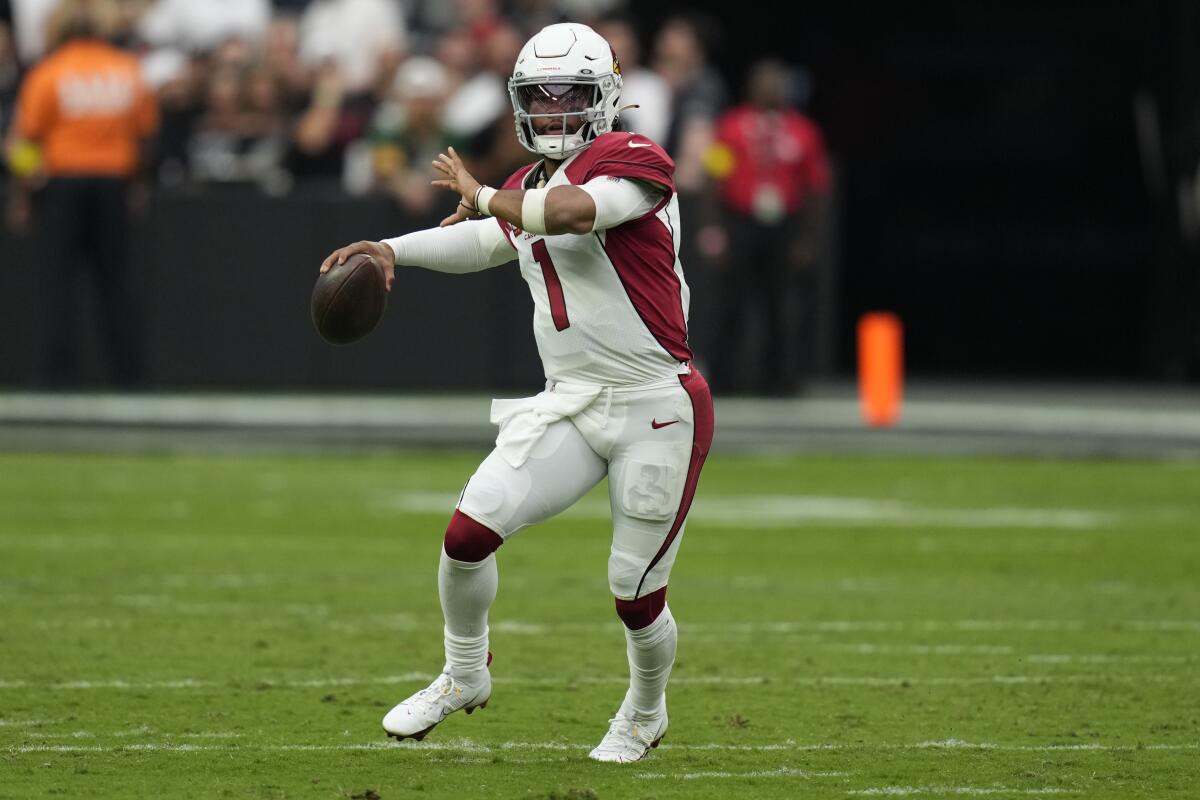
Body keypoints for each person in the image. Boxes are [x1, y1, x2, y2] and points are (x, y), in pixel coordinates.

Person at [320, 21, 714, 763]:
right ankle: (464, 674)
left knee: (634, 592)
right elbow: (485, 239)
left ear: (605, 98)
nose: (555, 113)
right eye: (540, 98)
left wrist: (481, 193)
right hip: (570, 400)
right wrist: (388, 249)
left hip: (655, 405)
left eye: (571, 98)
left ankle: (646, 709)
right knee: (467, 537)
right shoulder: (529, 186)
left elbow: (572, 214)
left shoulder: (634, 158)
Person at [7, 0, 158, 388]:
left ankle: (56, 378)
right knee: (118, 284)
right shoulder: (126, 69)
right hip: (113, 184)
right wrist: (137, 184)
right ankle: (129, 378)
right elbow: (145, 137)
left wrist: (26, 189)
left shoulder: (49, 72)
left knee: (58, 284)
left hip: (62, 185)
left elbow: (22, 144)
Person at [704, 58, 831, 396]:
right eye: (765, 83)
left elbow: (816, 187)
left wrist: (806, 238)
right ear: (752, 87)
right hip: (740, 221)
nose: (771, 89)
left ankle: (781, 380)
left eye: (777, 83)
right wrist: (714, 229)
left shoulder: (803, 131)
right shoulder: (731, 126)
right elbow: (715, 177)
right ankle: (725, 378)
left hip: (784, 226)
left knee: (782, 305)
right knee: (732, 303)